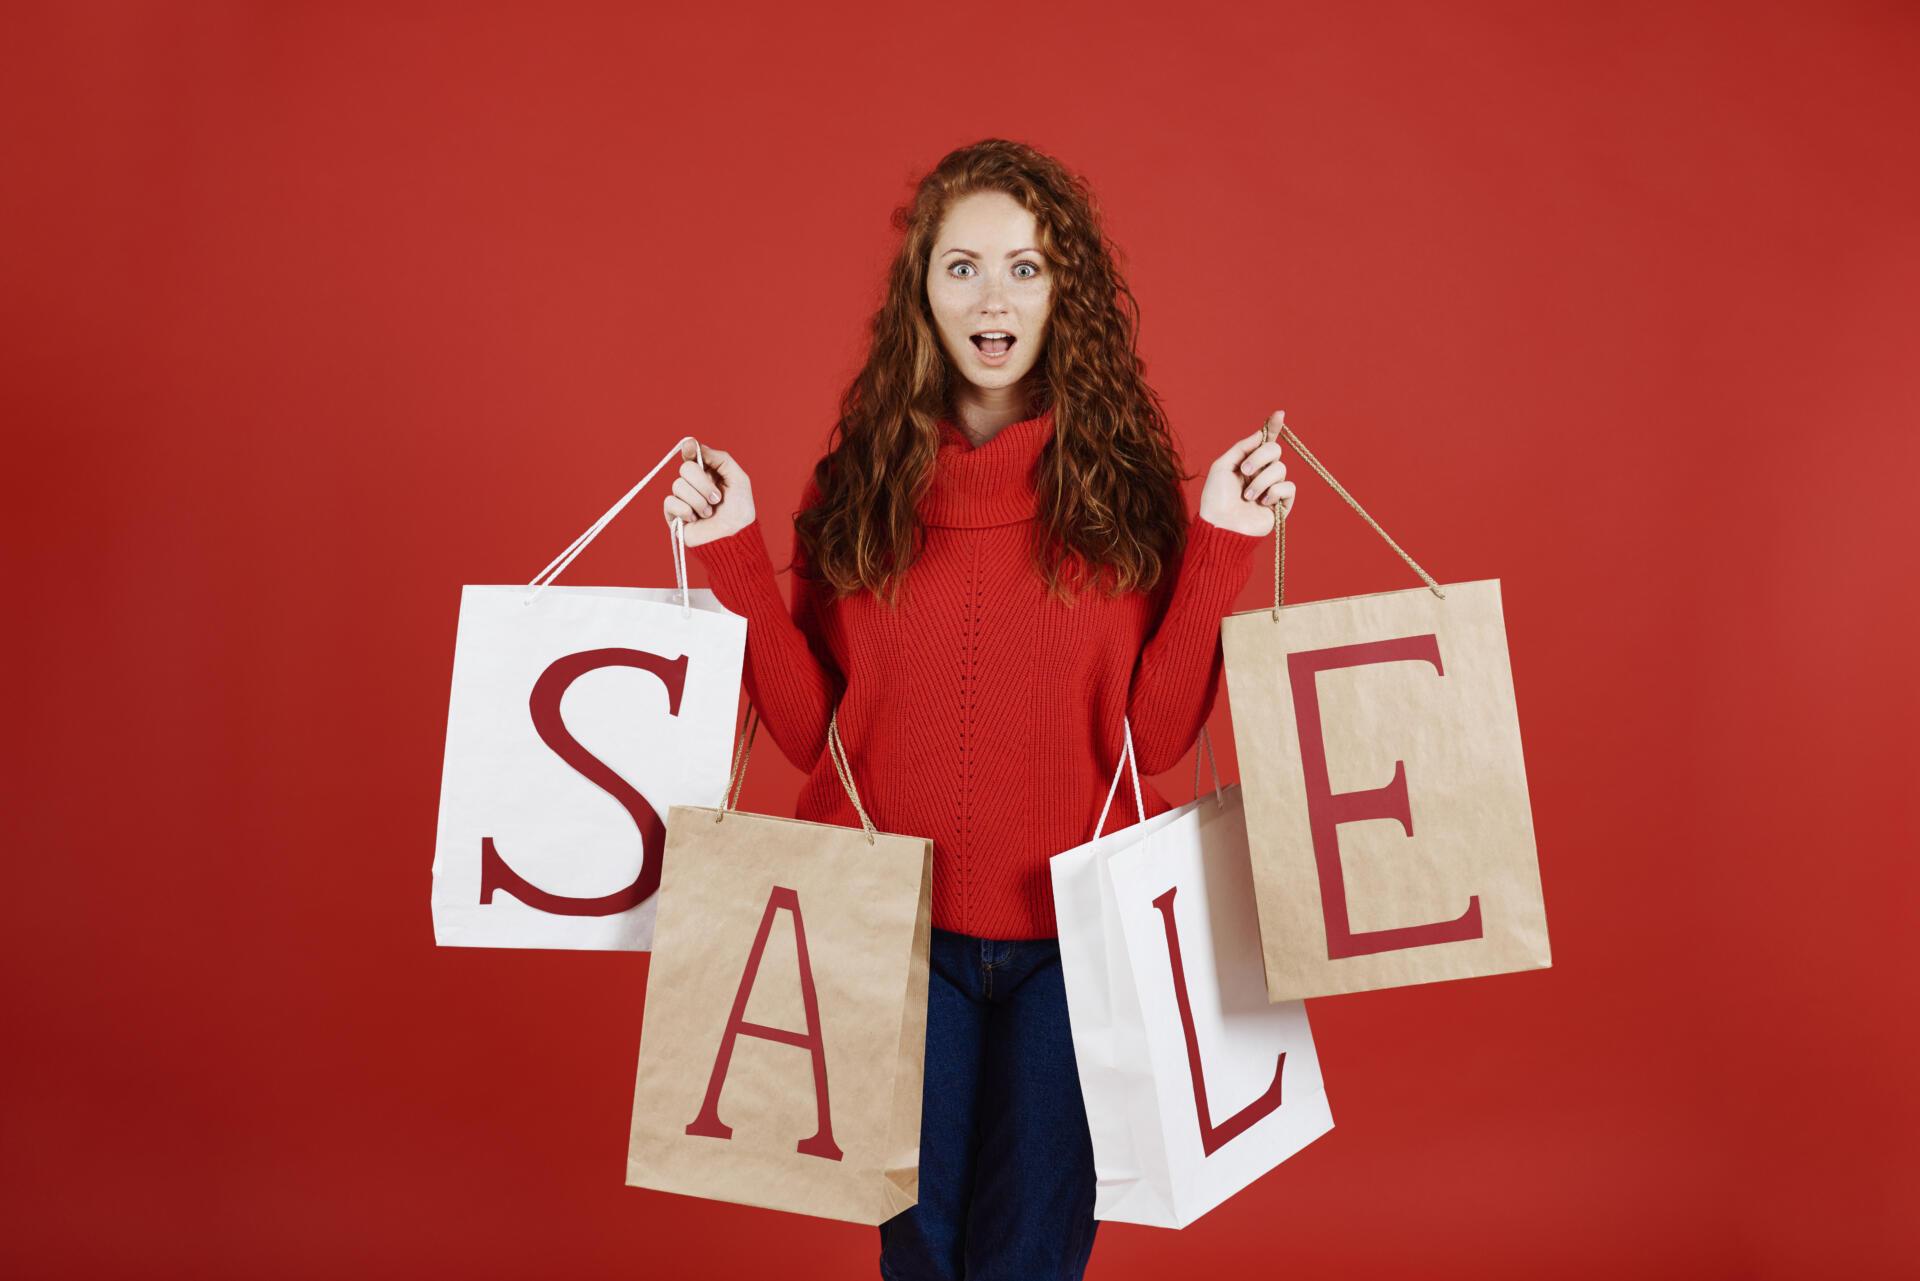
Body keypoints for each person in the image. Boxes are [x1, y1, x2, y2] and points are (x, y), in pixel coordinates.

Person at [660, 138, 1297, 1280]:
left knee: (1027, 1264)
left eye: (1026, 267)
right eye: (962, 267)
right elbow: (812, 737)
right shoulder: (857, 482)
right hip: (890, 931)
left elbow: (1152, 744)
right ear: (921, 290)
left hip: (1080, 943)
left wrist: (1225, 555)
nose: (992, 297)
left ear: (1068, 294)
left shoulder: (1122, 488)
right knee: (924, 1263)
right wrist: (729, 553)